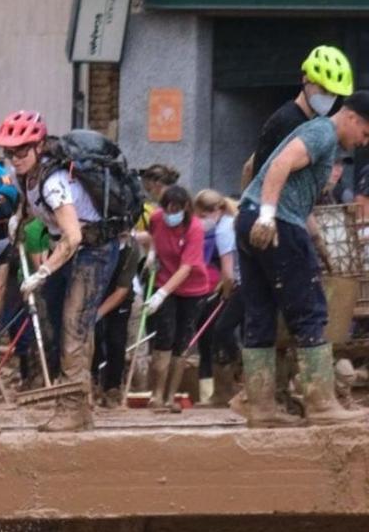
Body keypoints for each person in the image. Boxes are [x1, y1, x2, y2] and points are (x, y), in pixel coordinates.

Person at [237, 90, 369, 427]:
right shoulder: (322, 132)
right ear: (353, 118)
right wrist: (269, 216)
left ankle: (261, 407)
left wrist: (316, 238)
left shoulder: (320, 136)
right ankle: (321, 403)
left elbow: (296, 190)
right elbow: (280, 165)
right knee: (310, 309)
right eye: (365, 133)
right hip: (276, 222)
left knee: (261, 312)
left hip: (252, 217)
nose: (363, 143)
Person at [0, 110, 120, 431]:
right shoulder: (26, 176)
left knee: (74, 325)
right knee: (65, 323)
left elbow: (73, 235)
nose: (15, 158)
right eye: (9, 152)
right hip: (65, 247)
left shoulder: (54, 182)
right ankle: (81, 401)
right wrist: (19, 218)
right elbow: (31, 204)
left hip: (93, 248)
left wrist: (43, 272)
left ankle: (72, 409)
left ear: (39, 146)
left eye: (22, 150)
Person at [139, 186, 209, 412]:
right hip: (164, 279)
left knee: (182, 341)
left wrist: (161, 294)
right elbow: (153, 237)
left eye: (176, 209)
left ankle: (171, 396)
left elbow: (186, 268)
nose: (171, 214)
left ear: (185, 208)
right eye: (167, 209)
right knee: (164, 336)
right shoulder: (158, 218)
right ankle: (156, 394)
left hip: (192, 289)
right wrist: (151, 253)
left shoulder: (194, 229)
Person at [252, 45, 354, 177]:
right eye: (324, 90)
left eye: (334, 94)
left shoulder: (297, 118)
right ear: (305, 80)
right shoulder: (291, 122)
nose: (328, 98)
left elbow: (249, 166)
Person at [195, 189, 242, 406]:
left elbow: (228, 272)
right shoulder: (231, 220)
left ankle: (236, 374)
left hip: (240, 287)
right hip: (244, 285)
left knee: (222, 331)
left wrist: (224, 294)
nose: (202, 221)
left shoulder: (224, 230)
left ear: (216, 210)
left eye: (203, 216)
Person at [91, 232, 139, 408]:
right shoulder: (96, 241)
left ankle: (112, 388)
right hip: (95, 293)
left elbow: (122, 290)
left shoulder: (131, 249)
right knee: (93, 338)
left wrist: (98, 313)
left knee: (116, 341)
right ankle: (91, 383)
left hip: (120, 298)